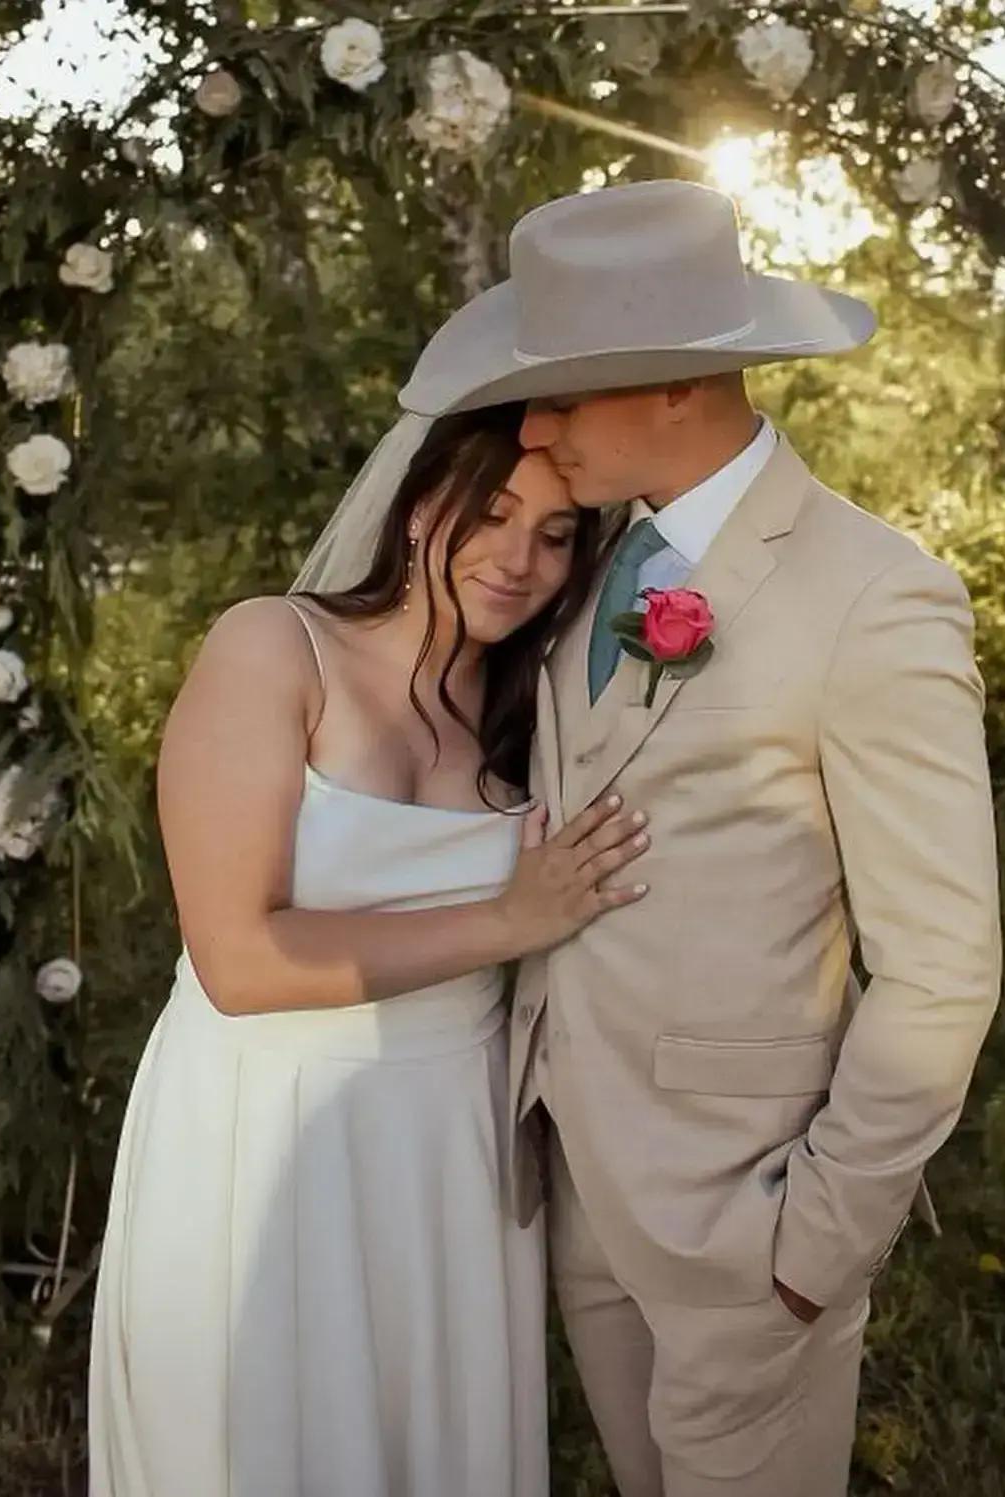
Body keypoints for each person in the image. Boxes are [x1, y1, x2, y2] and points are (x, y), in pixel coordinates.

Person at [400, 179, 1003, 1495]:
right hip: (580, 1189)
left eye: (565, 389)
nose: (538, 425)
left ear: (679, 386)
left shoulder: (873, 595)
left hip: (751, 1228)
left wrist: (813, 1248)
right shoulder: (589, 561)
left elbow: (943, 965)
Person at [87, 400, 652, 1497]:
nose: (516, 558)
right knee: (264, 1444)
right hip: (265, 1132)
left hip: (451, 1146)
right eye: (489, 513)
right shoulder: (274, 647)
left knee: (430, 1445)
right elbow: (239, 964)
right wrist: (507, 920)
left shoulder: (535, 714)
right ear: (414, 509)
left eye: (554, 534)